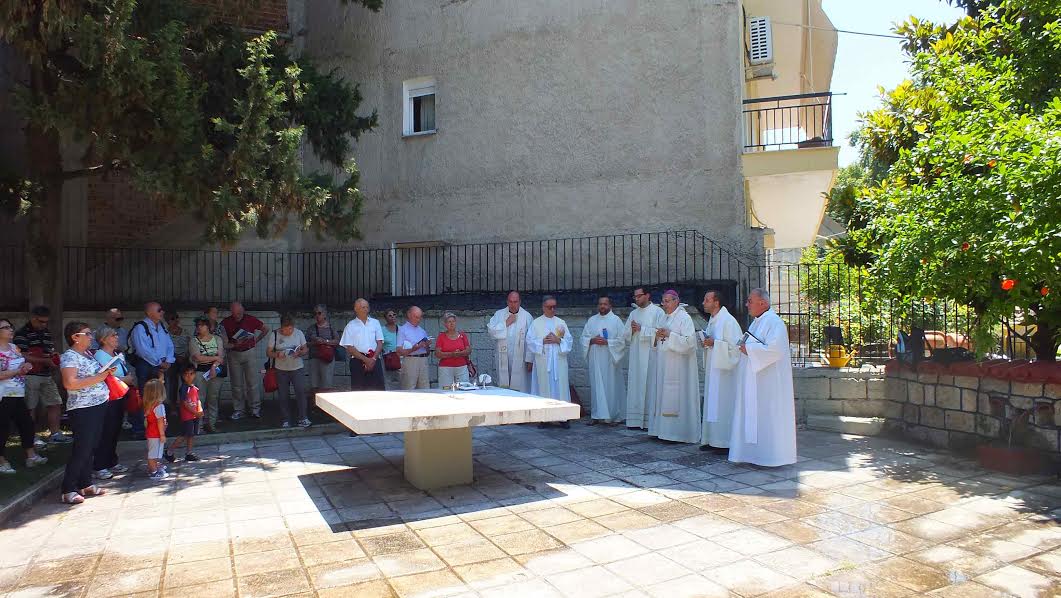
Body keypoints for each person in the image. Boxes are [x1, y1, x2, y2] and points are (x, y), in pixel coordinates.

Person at [729, 289, 797, 467]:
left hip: (769, 382)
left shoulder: (774, 322)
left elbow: (775, 350)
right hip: (754, 380)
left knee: (768, 416)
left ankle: (771, 457)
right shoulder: (756, 322)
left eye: (750, 301)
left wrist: (749, 349)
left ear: (763, 303)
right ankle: (752, 455)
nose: (747, 304)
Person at [59, 322, 115, 504]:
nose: (91, 337)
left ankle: (85, 483)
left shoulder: (88, 354)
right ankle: (68, 488)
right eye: (88, 334)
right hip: (82, 408)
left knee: (92, 446)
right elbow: (70, 383)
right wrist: (99, 377)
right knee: (82, 447)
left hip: (98, 405)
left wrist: (105, 373)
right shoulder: (69, 357)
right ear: (75, 337)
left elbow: (93, 376)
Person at [647, 290, 700, 444]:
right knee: (662, 394)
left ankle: (676, 433)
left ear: (676, 301)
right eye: (663, 301)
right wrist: (657, 335)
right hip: (663, 364)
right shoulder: (663, 317)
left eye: (667, 301)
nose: (664, 304)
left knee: (676, 396)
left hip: (678, 366)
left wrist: (670, 334)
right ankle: (661, 430)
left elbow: (690, 343)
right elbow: (656, 339)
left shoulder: (685, 318)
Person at [15, 306, 70, 444]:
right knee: (30, 407)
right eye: (41, 321)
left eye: (46, 322)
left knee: (55, 403)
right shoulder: (22, 333)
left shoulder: (46, 333)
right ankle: (30, 437)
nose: (44, 324)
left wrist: (53, 356)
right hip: (30, 375)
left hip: (46, 374)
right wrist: (45, 360)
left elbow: (48, 351)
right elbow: (21, 356)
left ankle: (55, 434)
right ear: (33, 318)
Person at [0, 318, 48, 473]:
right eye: (5, 327)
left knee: (26, 423)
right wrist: (17, 371)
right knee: (3, 428)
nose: (10, 329)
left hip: (17, 393)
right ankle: (1, 461)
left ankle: (31, 456)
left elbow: (20, 363)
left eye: (10, 326)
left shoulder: (14, 347)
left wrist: (25, 366)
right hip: (3, 394)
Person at [699, 291, 743, 452]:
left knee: (723, 405)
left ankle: (724, 442)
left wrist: (715, 343)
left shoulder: (728, 321)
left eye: (707, 300)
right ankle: (711, 439)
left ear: (716, 302)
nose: (703, 303)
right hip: (714, 370)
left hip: (725, 374)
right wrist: (707, 343)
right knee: (712, 404)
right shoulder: (713, 320)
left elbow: (736, 349)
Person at [92, 327, 135, 479]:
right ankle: (99, 465)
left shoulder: (116, 354)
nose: (116, 337)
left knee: (115, 430)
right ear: (103, 339)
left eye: (116, 334)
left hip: (119, 396)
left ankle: (111, 461)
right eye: (113, 335)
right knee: (106, 431)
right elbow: (103, 377)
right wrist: (125, 380)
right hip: (108, 398)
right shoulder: (99, 355)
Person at [127, 302, 175, 438]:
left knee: (160, 396)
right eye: (159, 310)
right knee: (145, 397)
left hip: (161, 365)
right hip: (146, 366)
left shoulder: (162, 327)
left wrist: (169, 360)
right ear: (149, 313)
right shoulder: (140, 328)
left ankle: (158, 427)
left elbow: (169, 345)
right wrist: (160, 362)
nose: (162, 312)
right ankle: (141, 429)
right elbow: (143, 350)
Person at [527, 296, 573, 428]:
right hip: (543, 362)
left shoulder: (561, 323)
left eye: (554, 307)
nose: (552, 309)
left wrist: (558, 341)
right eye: (549, 307)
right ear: (543, 307)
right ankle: (544, 418)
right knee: (543, 388)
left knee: (560, 388)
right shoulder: (536, 323)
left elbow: (569, 341)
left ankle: (563, 418)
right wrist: (542, 341)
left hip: (558, 363)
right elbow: (529, 341)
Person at [580, 296, 627, 425]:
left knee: (611, 386)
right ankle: (596, 415)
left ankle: (613, 416)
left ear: (610, 306)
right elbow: (583, 338)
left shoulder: (616, 321)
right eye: (600, 304)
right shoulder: (592, 320)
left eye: (605, 304)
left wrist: (608, 342)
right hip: (595, 358)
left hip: (610, 359)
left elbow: (622, 341)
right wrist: (591, 340)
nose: (602, 306)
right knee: (596, 386)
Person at [624, 288, 664, 430]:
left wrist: (642, 329)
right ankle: (634, 420)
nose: (636, 299)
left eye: (639, 296)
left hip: (650, 355)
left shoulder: (658, 312)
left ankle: (649, 421)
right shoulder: (633, 313)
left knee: (649, 385)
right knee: (636, 384)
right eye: (635, 297)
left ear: (647, 295)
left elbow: (660, 332)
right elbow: (625, 334)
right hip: (636, 355)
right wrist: (631, 330)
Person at [221, 301, 269, 420]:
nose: (237, 315)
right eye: (235, 313)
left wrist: (256, 340)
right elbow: (223, 341)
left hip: (249, 352)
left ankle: (255, 409)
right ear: (231, 312)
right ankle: (239, 410)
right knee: (236, 384)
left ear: (243, 310)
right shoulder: (226, 322)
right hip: (234, 353)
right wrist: (233, 344)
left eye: (239, 312)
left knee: (252, 383)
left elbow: (266, 328)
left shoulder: (250, 319)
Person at [267, 314, 311, 428]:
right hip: (281, 369)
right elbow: (268, 352)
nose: (289, 332)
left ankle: (303, 418)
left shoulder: (299, 333)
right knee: (283, 395)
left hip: (297, 368)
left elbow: (306, 349)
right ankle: (286, 419)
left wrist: (300, 352)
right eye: (286, 329)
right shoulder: (274, 334)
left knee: (300, 392)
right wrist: (277, 354)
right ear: (281, 327)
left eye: (291, 329)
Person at [487, 291, 533, 392]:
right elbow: (491, 331)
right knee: (504, 383)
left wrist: (530, 360)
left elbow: (531, 339)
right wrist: (506, 323)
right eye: (510, 302)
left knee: (520, 384)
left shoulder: (527, 316)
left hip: (521, 358)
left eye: (515, 302)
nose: (513, 305)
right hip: (503, 357)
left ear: (520, 302)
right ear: (507, 302)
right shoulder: (499, 314)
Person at [340, 298, 385, 391]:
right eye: (363, 307)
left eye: (367, 307)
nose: (365, 309)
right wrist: (366, 360)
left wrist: (373, 359)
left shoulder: (375, 323)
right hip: (358, 361)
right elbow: (349, 347)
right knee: (359, 391)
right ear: (356, 309)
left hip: (374, 359)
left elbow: (380, 343)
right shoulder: (350, 325)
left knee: (378, 391)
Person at [189, 317, 225, 433]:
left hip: (215, 371)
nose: (199, 327)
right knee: (200, 399)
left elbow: (221, 356)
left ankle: (211, 424)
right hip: (200, 372)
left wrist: (214, 366)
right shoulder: (194, 341)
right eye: (198, 325)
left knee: (213, 398)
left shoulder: (217, 339)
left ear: (208, 326)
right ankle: (198, 426)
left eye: (202, 325)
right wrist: (215, 358)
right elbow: (197, 357)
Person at [165, 365, 203, 462]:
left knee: (191, 435)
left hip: (195, 416)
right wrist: (195, 412)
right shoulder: (184, 388)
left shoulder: (194, 388)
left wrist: (200, 410)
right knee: (184, 435)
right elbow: (185, 403)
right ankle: (169, 451)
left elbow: (198, 400)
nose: (189, 376)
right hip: (187, 416)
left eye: (191, 374)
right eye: (186, 374)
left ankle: (189, 453)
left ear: (195, 374)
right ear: (182, 376)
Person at [306, 304, 340, 394]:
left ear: (324, 314)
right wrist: (315, 342)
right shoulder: (311, 329)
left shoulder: (331, 328)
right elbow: (305, 343)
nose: (317, 316)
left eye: (319, 313)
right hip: (314, 358)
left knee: (327, 385)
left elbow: (337, 341)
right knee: (314, 385)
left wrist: (325, 341)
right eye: (315, 313)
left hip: (327, 358)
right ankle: (314, 401)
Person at [396, 306, 431, 390]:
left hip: (423, 360)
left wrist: (427, 345)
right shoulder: (403, 330)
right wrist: (414, 349)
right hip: (410, 360)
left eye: (420, 317)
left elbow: (428, 352)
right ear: (409, 315)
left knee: (425, 387)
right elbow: (399, 350)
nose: (418, 320)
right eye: (416, 317)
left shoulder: (422, 331)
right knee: (409, 387)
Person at [435, 313, 472, 388]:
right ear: (445, 324)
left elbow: (468, 350)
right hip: (446, 368)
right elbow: (438, 353)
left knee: (463, 389)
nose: (451, 324)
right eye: (449, 322)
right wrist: (452, 354)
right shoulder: (441, 337)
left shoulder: (462, 335)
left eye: (453, 321)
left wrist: (459, 353)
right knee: (446, 389)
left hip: (461, 367)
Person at [142, 379, 168, 480]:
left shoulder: (149, 406)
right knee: (153, 454)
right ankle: (153, 471)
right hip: (156, 434)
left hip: (151, 433)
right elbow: (160, 421)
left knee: (153, 452)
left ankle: (154, 467)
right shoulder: (159, 406)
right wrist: (162, 435)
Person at [165, 311, 190, 406]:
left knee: (186, 382)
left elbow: (190, 345)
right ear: (167, 321)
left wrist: (186, 356)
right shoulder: (165, 333)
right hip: (172, 360)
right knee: (173, 383)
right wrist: (176, 356)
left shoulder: (185, 331)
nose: (175, 320)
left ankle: (185, 404)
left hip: (185, 360)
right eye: (172, 319)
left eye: (176, 317)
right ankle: (173, 406)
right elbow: (165, 348)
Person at [380, 309, 401, 389]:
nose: (392, 317)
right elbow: (379, 344)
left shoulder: (400, 329)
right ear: (385, 318)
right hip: (388, 358)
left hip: (400, 358)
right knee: (388, 380)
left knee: (402, 380)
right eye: (390, 315)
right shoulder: (382, 330)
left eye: (394, 315)